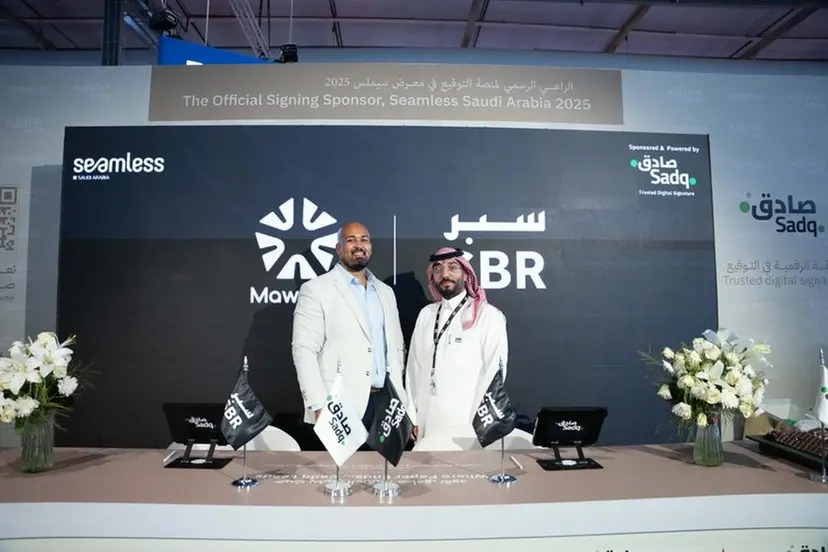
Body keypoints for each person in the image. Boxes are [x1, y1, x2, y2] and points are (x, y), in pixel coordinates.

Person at [291, 221, 407, 431]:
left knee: (381, 457)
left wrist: (402, 402)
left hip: (386, 405)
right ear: (338, 248)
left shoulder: (385, 292)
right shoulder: (316, 289)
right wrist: (318, 403)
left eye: (364, 240)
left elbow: (396, 349)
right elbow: (304, 351)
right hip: (338, 406)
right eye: (351, 240)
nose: (359, 245)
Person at [405, 246, 508, 451]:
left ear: (466, 273)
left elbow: (495, 375)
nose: (445, 274)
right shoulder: (426, 315)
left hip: (467, 424)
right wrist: (411, 415)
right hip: (428, 420)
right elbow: (413, 369)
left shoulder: (487, 316)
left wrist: (480, 424)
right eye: (438, 269)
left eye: (453, 267)